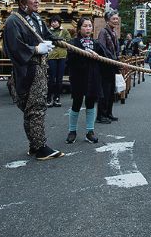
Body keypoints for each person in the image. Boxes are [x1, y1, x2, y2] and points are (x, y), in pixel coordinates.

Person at [2, 0, 64, 161]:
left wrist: (57, 41)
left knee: (33, 107)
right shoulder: (13, 21)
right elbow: (13, 48)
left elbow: (47, 35)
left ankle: (34, 145)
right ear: (22, 2)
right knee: (35, 107)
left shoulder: (36, 18)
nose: (37, 1)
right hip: (28, 69)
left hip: (40, 68)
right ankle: (40, 147)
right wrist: (36, 49)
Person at [66, 16, 105, 144]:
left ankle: (90, 131)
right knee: (76, 103)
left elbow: (104, 58)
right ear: (79, 28)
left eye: (90, 26)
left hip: (93, 77)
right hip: (78, 76)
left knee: (90, 103)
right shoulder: (73, 43)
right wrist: (85, 53)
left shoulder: (96, 43)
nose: (88, 28)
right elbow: (69, 61)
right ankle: (72, 131)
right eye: (85, 26)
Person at [97, 10, 122, 123]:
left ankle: (109, 113)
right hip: (106, 64)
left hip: (113, 64)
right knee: (105, 90)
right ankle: (101, 115)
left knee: (112, 90)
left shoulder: (114, 32)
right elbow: (102, 47)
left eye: (117, 19)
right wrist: (112, 58)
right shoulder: (103, 32)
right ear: (107, 20)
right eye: (114, 19)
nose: (116, 21)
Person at [47, 16, 71, 107]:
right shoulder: (48, 31)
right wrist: (59, 41)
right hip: (52, 56)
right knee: (51, 78)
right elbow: (45, 41)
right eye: (52, 22)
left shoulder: (64, 31)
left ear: (59, 22)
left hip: (62, 56)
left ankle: (57, 98)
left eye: (56, 21)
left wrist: (59, 41)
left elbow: (69, 41)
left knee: (59, 79)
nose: (54, 23)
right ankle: (48, 98)